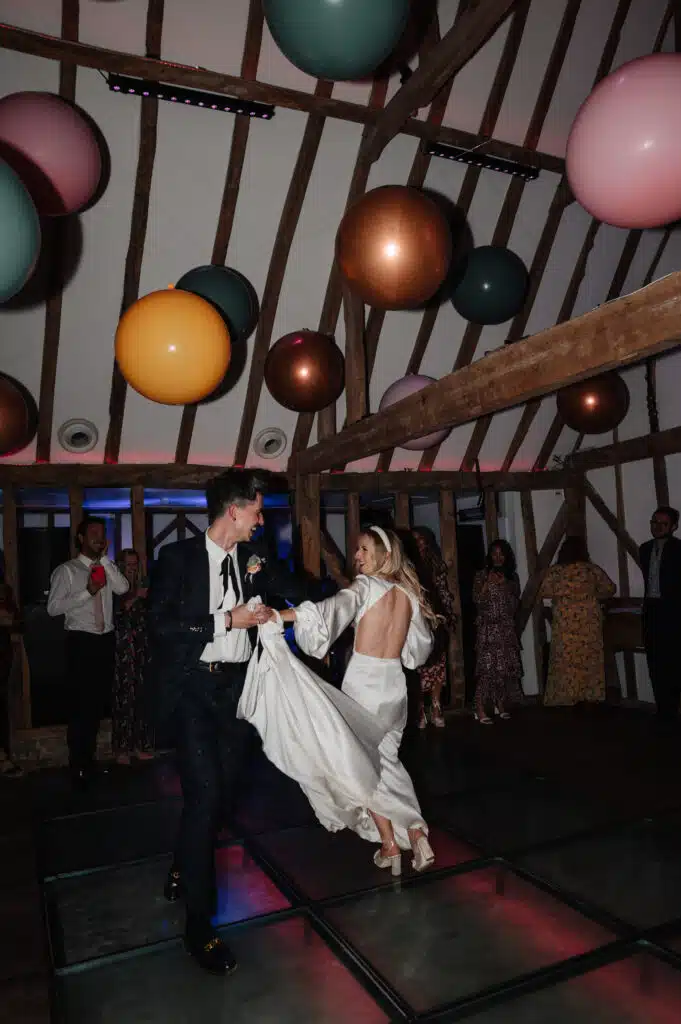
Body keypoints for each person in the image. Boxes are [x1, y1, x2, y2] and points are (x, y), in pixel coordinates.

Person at [148, 469, 308, 976]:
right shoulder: (177, 558)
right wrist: (226, 621)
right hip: (192, 689)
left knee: (220, 796)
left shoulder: (253, 560)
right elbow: (161, 626)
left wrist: (354, 592)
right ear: (234, 510)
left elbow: (296, 586)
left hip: (237, 692)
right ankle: (199, 926)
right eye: (258, 511)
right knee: (206, 795)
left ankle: (180, 863)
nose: (262, 520)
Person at [247, 525, 437, 877]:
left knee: (362, 765)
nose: (357, 557)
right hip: (395, 687)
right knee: (382, 763)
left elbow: (328, 610)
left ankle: (412, 827)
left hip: (364, 684)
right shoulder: (409, 596)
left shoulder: (366, 587)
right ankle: (391, 843)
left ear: (383, 554)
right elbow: (418, 651)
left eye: (364, 549)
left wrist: (279, 615)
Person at [47, 518, 129, 789]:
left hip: (104, 640)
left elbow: (123, 588)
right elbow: (53, 608)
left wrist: (105, 560)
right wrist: (87, 593)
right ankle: (77, 766)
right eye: (93, 533)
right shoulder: (67, 571)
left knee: (95, 706)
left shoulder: (106, 567)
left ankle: (89, 763)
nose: (99, 537)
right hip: (81, 641)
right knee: (80, 706)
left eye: (102, 533)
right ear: (80, 538)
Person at [541, 536, 616, 707]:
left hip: (565, 622)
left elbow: (544, 591)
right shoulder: (592, 570)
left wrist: (564, 596)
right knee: (589, 658)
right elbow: (611, 589)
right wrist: (592, 596)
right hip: (589, 621)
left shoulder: (556, 571)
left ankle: (564, 697)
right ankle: (590, 694)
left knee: (565, 660)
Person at [410, 527, 457, 729]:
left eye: (422, 540)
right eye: (415, 540)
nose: (419, 543)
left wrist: (447, 615)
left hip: (436, 619)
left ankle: (436, 708)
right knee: (419, 666)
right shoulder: (406, 566)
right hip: (415, 620)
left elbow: (443, 591)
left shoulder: (435, 564)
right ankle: (420, 709)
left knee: (438, 665)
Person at [472, 539, 523, 724]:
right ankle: (478, 706)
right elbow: (477, 600)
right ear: (490, 555)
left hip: (506, 628)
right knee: (487, 670)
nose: (498, 557)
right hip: (488, 628)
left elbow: (515, 604)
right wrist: (487, 584)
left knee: (503, 670)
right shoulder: (481, 575)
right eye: (494, 553)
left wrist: (505, 585)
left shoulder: (512, 577)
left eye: (502, 554)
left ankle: (500, 704)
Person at [639, 506, 681, 723]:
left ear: (674, 526)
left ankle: (672, 711)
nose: (656, 527)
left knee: (673, 662)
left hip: (674, 612)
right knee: (655, 661)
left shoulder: (679, 549)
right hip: (652, 610)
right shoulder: (644, 549)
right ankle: (662, 709)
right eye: (654, 522)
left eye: (662, 524)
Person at [112, 548, 153, 765]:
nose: (132, 569)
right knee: (124, 699)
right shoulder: (115, 588)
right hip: (122, 649)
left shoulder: (143, 585)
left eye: (135, 564)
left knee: (142, 698)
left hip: (142, 648)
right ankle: (121, 749)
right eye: (128, 564)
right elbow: (118, 613)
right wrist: (135, 596)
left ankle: (140, 745)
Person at [0, 582, 22, 779]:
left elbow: (16, 619)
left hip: (2, 653)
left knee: (2, 705)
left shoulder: (4, 589)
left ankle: (4, 756)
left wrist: (10, 619)